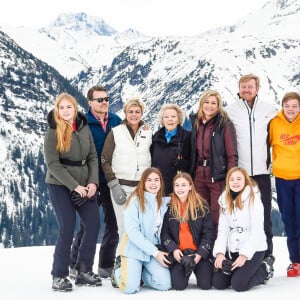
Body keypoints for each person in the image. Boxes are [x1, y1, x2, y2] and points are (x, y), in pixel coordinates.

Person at [44, 93, 102, 291]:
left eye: (69, 107)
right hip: (60, 184)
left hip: (85, 183)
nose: (66, 111)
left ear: (75, 108)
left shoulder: (84, 127)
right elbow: (52, 164)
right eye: (62, 108)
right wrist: (74, 186)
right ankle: (58, 276)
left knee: (93, 224)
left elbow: (93, 156)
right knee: (67, 227)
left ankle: (83, 270)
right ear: (57, 110)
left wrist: (93, 183)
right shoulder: (53, 130)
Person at [69, 85, 121, 279]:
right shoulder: (82, 122)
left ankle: (106, 265)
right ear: (90, 102)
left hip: (110, 179)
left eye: (106, 98)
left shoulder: (116, 120)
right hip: (89, 180)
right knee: (87, 224)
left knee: (113, 223)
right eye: (100, 99)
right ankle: (74, 264)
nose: (104, 102)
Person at [226, 74, 277, 261]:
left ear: (257, 89)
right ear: (238, 88)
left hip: (262, 173)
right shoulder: (230, 110)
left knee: (264, 216)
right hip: (239, 174)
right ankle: (237, 255)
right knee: (237, 216)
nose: (246, 90)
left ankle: (267, 256)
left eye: (250, 86)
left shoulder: (269, 110)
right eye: (243, 86)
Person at [212, 167, 274, 292]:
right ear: (228, 182)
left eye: (239, 179)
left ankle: (264, 268)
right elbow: (223, 231)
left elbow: (257, 231)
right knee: (218, 283)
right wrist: (220, 254)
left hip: (254, 249)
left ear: (245, 181)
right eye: (232, 179)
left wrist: (244, 255)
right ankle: (240, 272)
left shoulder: (253, 198)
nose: (235, 182)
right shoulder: (225, 200)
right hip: (234, 248)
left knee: (239, 284)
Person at [112, 167, 171, 294]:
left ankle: (140, 274)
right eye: (149, 180)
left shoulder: (163, 202)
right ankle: (118, 270)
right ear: (143, 182)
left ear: (161, 182)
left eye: (156, 180)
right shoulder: (134, 201)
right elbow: (133, 233)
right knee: (129, 288)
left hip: (151, 250)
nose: (153, 183)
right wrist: (156, 253)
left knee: (165, 283)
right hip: (134, 249)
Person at [101, 96, 152, 239]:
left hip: (142, 188)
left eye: (137, 112)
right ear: (125, 113)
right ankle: (122, 259)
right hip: (121, 186)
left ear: (142, 113)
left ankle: (140, 260)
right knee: (123, 228)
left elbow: (152, 159)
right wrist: (113, 185)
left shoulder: (148, 133)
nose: (134, 115)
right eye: (131, 111)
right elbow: (105, 160)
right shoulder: (116, 132)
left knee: (142, 228)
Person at [190, 89, 238, 231]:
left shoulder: (224, 124)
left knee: (217, 215)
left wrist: (231, 178)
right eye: (206, 102)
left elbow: (232, 154)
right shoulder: (195, 122)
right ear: (201, 104)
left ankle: (217, 249)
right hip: (199, 176)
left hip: (217, 177)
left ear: (218, 106)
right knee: (199, 214)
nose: (209, 106)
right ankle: (202, 248)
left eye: (213, 103)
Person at [160, 172, 215, 290]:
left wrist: (200, 254)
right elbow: (165, 233)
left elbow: (209, 233)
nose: (180, 188)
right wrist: (174, 249)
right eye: (177, 185)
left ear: (190, 186)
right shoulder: (170, 207)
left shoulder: (201, 205)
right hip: (180, 254)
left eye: (184, 185)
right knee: (178, 286)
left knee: (206, 284)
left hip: (198, 252)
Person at [268, 91, 300, 277]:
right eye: (287, 106)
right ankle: (295, 261)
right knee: (289, 220)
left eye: (295, 106)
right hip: (282, 180)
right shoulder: (275, 124)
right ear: (282, 107)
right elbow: (266, 146)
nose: (291, 109)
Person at [151, 104, 191, 196]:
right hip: (158, 185)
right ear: (162, 120)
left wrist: (182, 163)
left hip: (178, 185)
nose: (170, 119)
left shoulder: (187, 137)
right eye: (166, 117)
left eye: (173, 116)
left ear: (179, 119)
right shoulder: (156, 136)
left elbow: (192, 161)